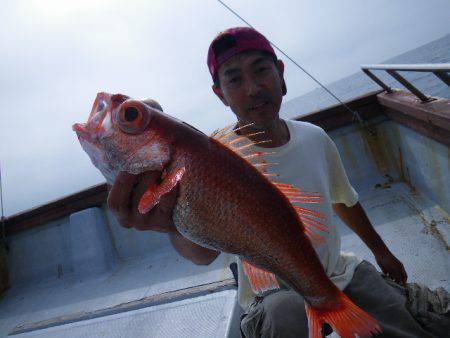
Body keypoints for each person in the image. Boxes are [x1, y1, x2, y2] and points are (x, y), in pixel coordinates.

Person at [108, 27, 447, 337]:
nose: (253, 88)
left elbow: (344, 200)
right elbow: (201, 254)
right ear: (220, 95)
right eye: (234, 79)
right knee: (284, 317)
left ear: (281, 75)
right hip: (267, 290)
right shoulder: (211, 160)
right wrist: (168, 225)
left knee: (402, 325)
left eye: (261, 70)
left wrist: (382, 252)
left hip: (335, 269)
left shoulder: (315, 138)